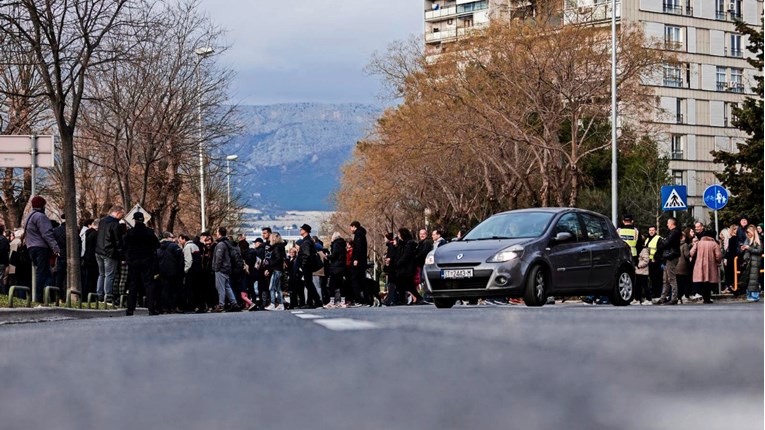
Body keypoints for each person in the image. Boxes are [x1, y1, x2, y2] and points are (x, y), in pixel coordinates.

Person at [23, 196, 61, 302]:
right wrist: (56, 248)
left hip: (31, 247)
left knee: (46, 273)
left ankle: (49, 295)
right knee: (42, 272)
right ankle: (39, 297)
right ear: (42, 206)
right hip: (40, 248)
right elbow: (47, 233)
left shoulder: (29, 216)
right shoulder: (41, 217)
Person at [124, 212, 160, 316]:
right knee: (149, 284)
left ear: (134, 220)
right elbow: (156, 245)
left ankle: (130, 309)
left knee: (133, 284)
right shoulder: (149, 232)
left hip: (133, 261)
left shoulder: (130, 233)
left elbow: (125, 246)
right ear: (143, 219)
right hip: (147, 261)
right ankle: (151, 309)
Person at [96, 205, 125, 302]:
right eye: (122, 214)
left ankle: (99, 294)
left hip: (99, 250)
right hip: (110, 252)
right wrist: (121, 255)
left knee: (101, 274)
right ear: (117, 212)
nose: (122, 216)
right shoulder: (115, 224)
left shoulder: (102, 221)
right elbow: (117, 241)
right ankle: (108, 296)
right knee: (109, 275)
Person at [212, 227, 242, 312]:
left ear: (219, 233)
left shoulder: (221, 244)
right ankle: (234, 303)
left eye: (217, 232)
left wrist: (216, 268)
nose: (216, 234)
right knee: (227, 287)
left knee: (220, 287)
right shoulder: (228, 243)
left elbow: (219, 258)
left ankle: (221, 305)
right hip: (227, 268)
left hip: (221, 269)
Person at [690, 232, 722, 304]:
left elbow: (691, 252)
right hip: (711, 265)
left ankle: (704, 297)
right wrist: (718, 261)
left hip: (699, 264)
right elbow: (718, 255)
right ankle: (707, 298)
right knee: (709, 281)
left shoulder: (698, 243)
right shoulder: (714, 244)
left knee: (701, 280)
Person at [654, 218, 681, 305]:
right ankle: (663, 298)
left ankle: (674, 298)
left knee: (671, 278)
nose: (667, 225)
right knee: (665, 279)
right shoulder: (672, 232)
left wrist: (662, 242)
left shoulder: (674, 232)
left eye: (668, 223)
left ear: (672, 224)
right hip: (668, 256)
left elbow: (667, 243)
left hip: (671, 257)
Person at [396, 228, 426, 305]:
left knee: (408, 285)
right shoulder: (402, 243)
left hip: (407, 268)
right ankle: (404, 299)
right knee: (405, 284)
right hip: (403, 268)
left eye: (399, 234)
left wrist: (398, 263)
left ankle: (416, 298)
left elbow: (406, 255)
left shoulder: (409, 243)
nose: (398, 236)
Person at [157, 232, 184, 313]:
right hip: (174, 271)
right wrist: (180, 270)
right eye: (172, 237)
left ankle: (165, 307)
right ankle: (173, 307)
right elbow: (180, 259)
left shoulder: (158, 247)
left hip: (162, 272)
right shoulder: (174, 246)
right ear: (168, 237)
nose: (173, 239)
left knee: (164, 289)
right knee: (174, 290)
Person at [178, 234, 204, 312]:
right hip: (198, 270)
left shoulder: (187, 247)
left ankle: (191, 306)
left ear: (184, 239)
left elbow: (188, 260)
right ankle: (200, 306)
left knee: (190, 289)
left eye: (180, 240)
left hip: (191, 271)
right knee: (197, 289)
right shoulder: (195, 246)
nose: (179, 242)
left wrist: (185, 270)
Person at [298, 224, 322, 308]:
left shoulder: (306, 241)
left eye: (301, 229)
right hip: (309, 264)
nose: (300, 230)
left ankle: (317, 301)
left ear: (305, 231)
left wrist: (303, 264)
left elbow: (307, 255)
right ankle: (310, 302)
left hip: (307, 265)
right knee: (309, 283)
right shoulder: (309, 240)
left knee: (309, 284)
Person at [739, 225, 762, 302]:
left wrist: (749, 248)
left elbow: (759, 251)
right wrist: (743, 249)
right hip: (748, 261)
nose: (748, 234)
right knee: (748, 279)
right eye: (747, 232)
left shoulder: (757, 240)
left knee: (754, 279)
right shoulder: (747, 240)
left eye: (749, 232)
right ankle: (749, 295)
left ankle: (755, 296)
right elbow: (744, 251)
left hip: (755, 261)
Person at [264, 232, 286, 310]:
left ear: (273, 238)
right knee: (278, 287)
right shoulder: (280, 246)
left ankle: (273, 304)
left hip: (276, 269)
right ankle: (281, 304)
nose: (269, 239)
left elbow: (277, 258)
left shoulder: (276, 248)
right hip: (278, 269)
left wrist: (270, 266)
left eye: (270, 237)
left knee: (272, 287)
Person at [325, 232, 347, 308]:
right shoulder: (343, 245)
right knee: (341, 285)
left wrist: (327, 256)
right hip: (342, 267)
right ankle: (343, 301)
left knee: (332, 284)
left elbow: (334, 255)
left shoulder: (335, 244)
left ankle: (332, 302)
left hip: (335, 267)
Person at [349, 220, 368, 305]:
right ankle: (366, 299)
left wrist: (356, 259)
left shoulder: (358, 234)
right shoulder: (361, 234)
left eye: (351, 227)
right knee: (362, 280)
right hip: (362, 261)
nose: (350, 229)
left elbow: (358, 247)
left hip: (358, 262)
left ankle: (359, 300)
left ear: (354, 226)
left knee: (355, 280)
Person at [644, 226, 663, 299]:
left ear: (655, 231)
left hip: (655, 262)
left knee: (656, 279)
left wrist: (655, 258)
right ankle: (653, 293)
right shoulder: (647, 239)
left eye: (653, 230)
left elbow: (660, 250)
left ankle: (657, 293)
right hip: (648, 262)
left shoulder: (658, 238)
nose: (651, 231)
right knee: (651, 279)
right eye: (650, 230)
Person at [82, 219, 99, 300]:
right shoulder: (96, 234)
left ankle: (86, 295)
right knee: (93, 279)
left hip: (86, 257)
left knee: (87, 278)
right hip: (93, 258)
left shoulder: (87, 233)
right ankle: (92, 296)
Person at [675, 228, 693, 301]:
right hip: (684, 266)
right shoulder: (685, 245)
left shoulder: (675, 244)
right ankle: (685, 295)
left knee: (678, 283)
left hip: (676, 265)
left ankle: (678, 297)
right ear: (683, 237)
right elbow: (687, 255)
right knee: (685, 282)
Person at [634, 237, 651, 305]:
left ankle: (648, 299)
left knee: (645, 285)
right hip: (638, 271)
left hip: (643, 271)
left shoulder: (644, 250)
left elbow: (646, 260)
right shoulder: (638, 249)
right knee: (637, 286)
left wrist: (638, 265)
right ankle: (638, 299)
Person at [0, 225, 9, 295]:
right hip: (2, 262)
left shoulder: (3, 240)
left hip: (2, 262)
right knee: (1, 279)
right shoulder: (4, 239)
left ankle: (2, 293)